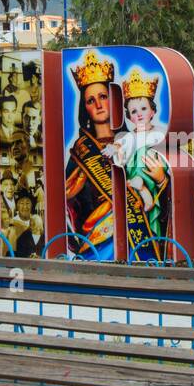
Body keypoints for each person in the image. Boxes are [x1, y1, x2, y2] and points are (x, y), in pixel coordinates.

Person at [105, 69, 171, 258]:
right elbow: (119, 152)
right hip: (134, 187)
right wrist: (114, 150)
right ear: (129, 116)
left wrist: (161, 178)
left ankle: (148, 195)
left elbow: (168, 161)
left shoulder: (160, 134)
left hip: (155, 183)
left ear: (152, 111)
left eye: (143, 109)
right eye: (134, 111)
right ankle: (143, 193)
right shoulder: (128, 137)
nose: (139, 114)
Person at [64, 50, 117, 258]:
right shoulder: (82, 148)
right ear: (85, 108)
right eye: (90, 100)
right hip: (93, 229)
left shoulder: (129, 141)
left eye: (103, 97)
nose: (98, 105)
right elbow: (67, 194)